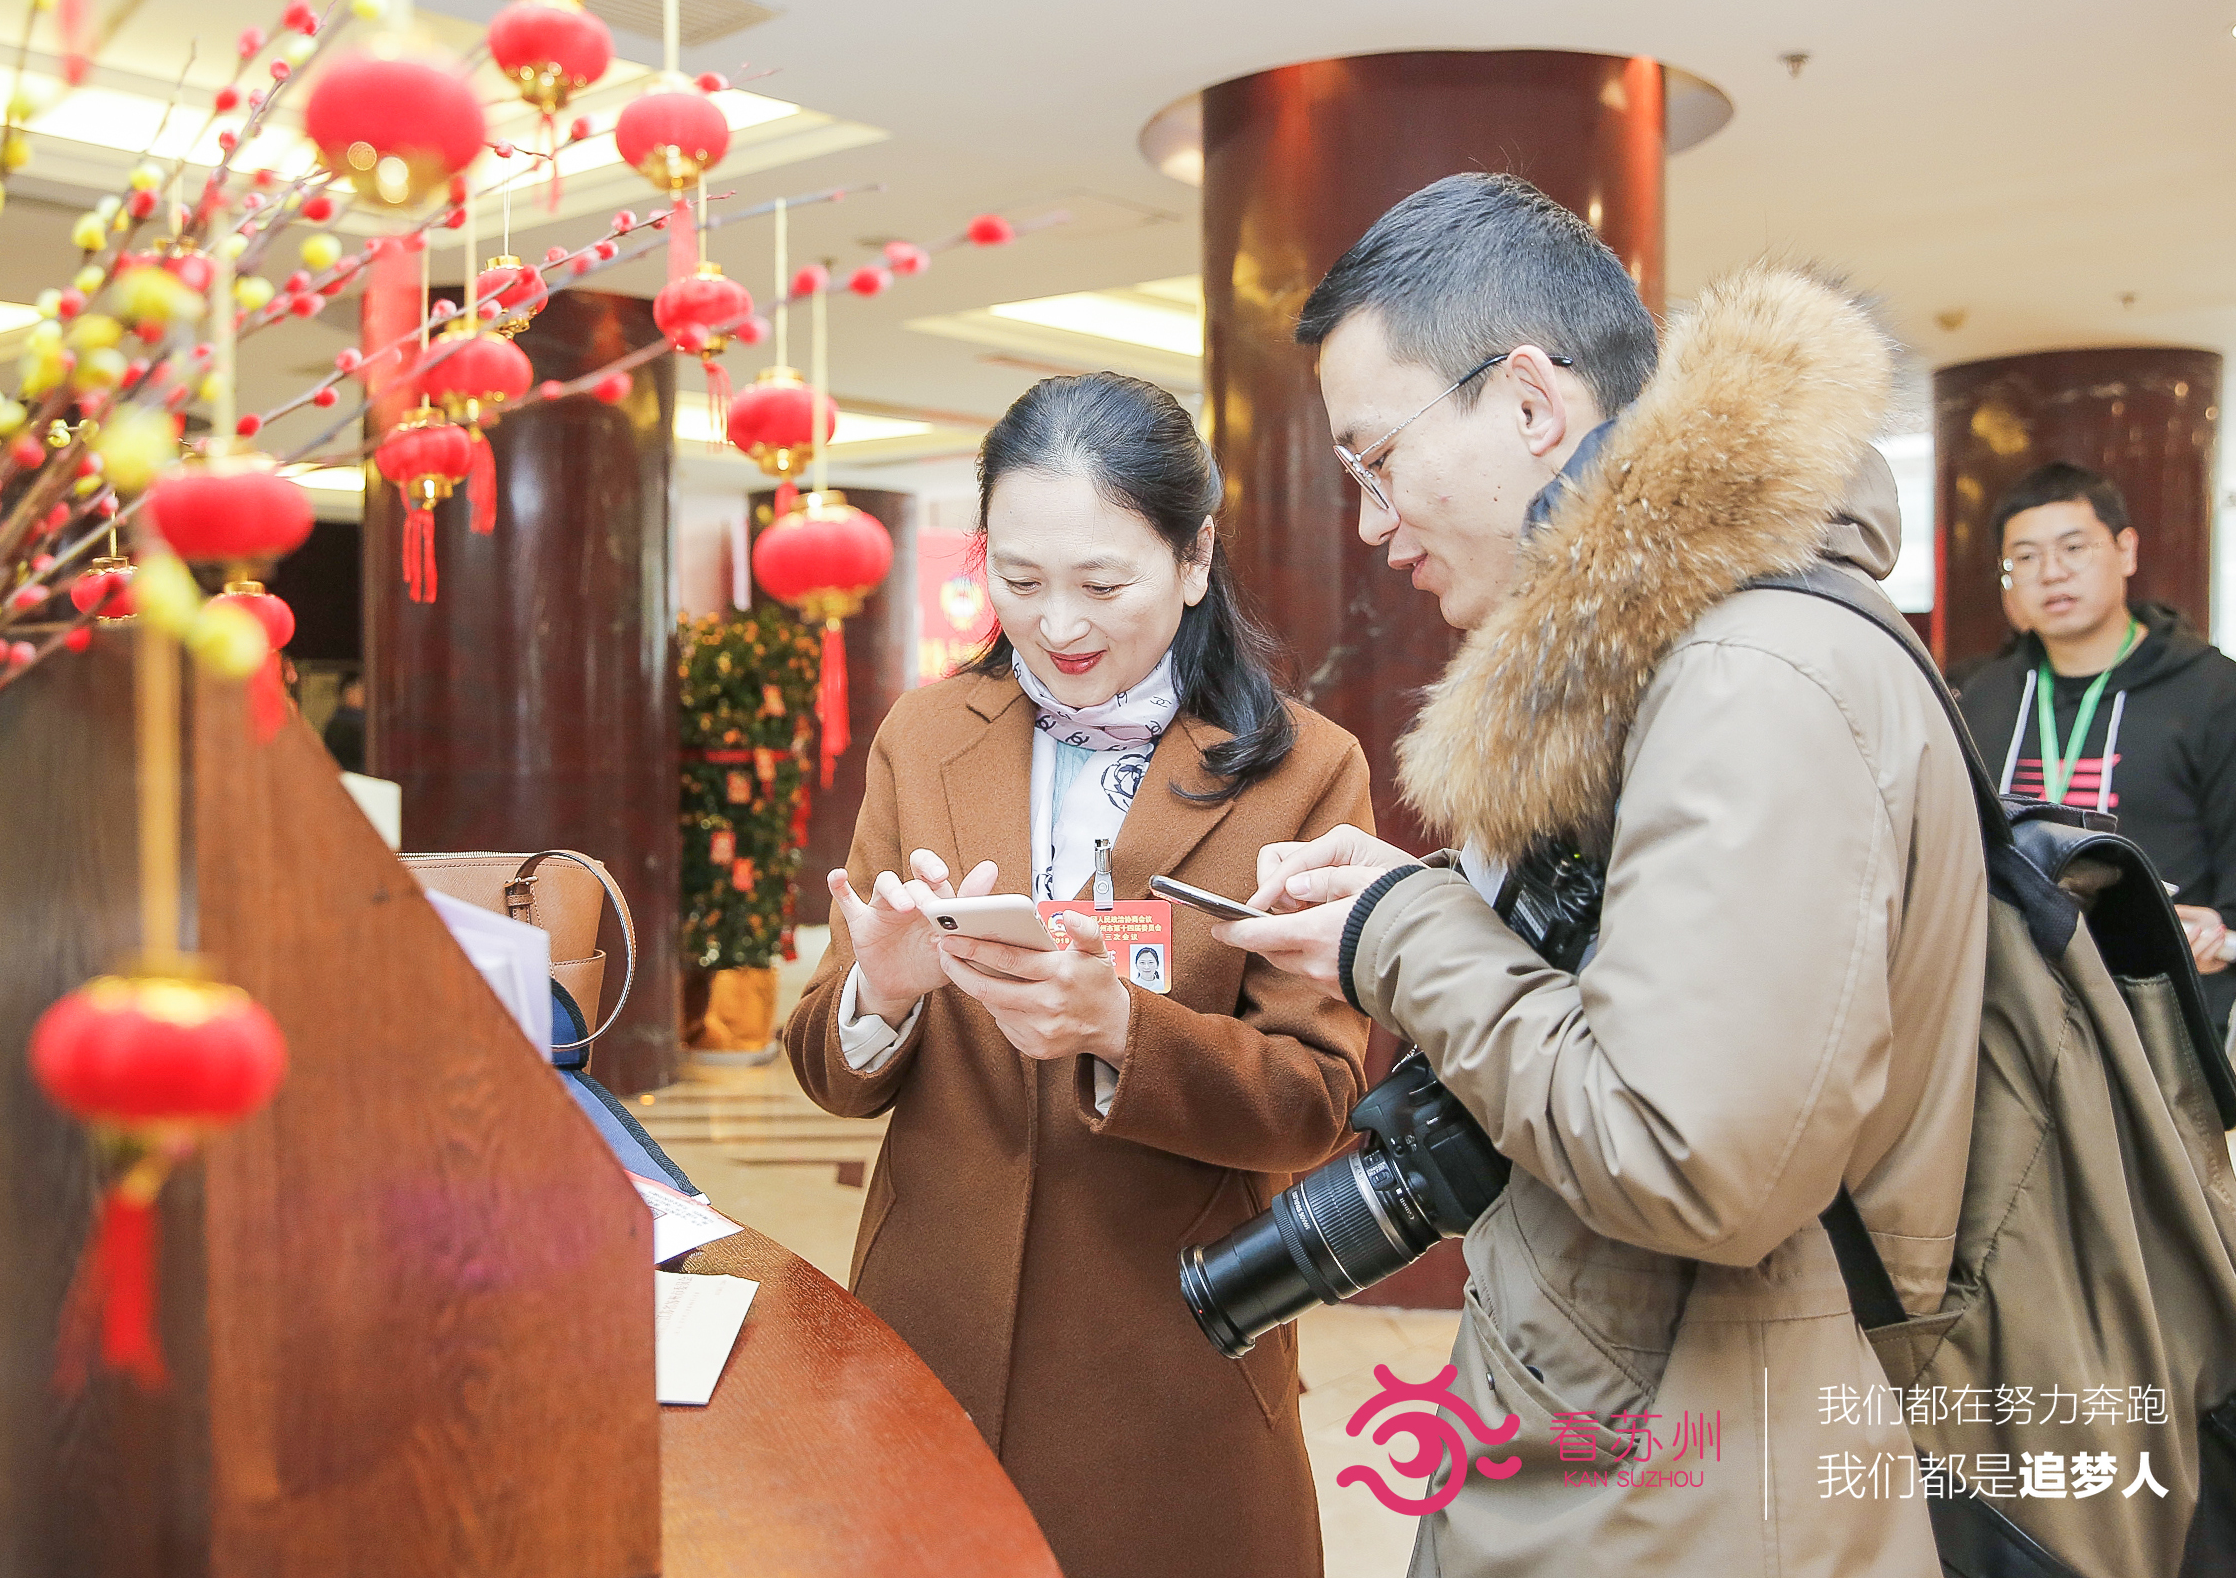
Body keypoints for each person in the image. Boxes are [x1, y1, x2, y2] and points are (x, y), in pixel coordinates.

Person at [1213, 174, 1985, 1575]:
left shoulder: (1750, 677)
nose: (1372, 523)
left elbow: (1691, 1162)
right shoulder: (1668, 664)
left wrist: (1403, 927)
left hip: (1700, 1505)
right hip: (1625, 1459)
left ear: (1527, 401)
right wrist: (1427, 907)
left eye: (1377, 461)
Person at [783, 371, 1374, 1578]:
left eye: (1104, 585)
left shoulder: (1305, 772)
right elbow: (829, 1072)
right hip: (932, 1319)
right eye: (1019, 580)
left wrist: (1124, 1032)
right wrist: (878, 994)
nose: (1058, 627)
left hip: (1170, 1347)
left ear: (1194, 558)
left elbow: (1317, 1100)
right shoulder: (924, 737)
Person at [1957, 462, 2236, 1028]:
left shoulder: (2212, 690)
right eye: (2025, 558)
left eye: (2073, 548)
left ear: (2126, 550)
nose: (2051, 573)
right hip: (2012, 1011)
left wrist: (2224, 930)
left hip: (2160, 1011)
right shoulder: (1978, 697)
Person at [324, 673, 367, 773]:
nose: (365, 695)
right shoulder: (346, 723)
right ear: (349, 693)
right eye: (361, 690)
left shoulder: (337, 722)